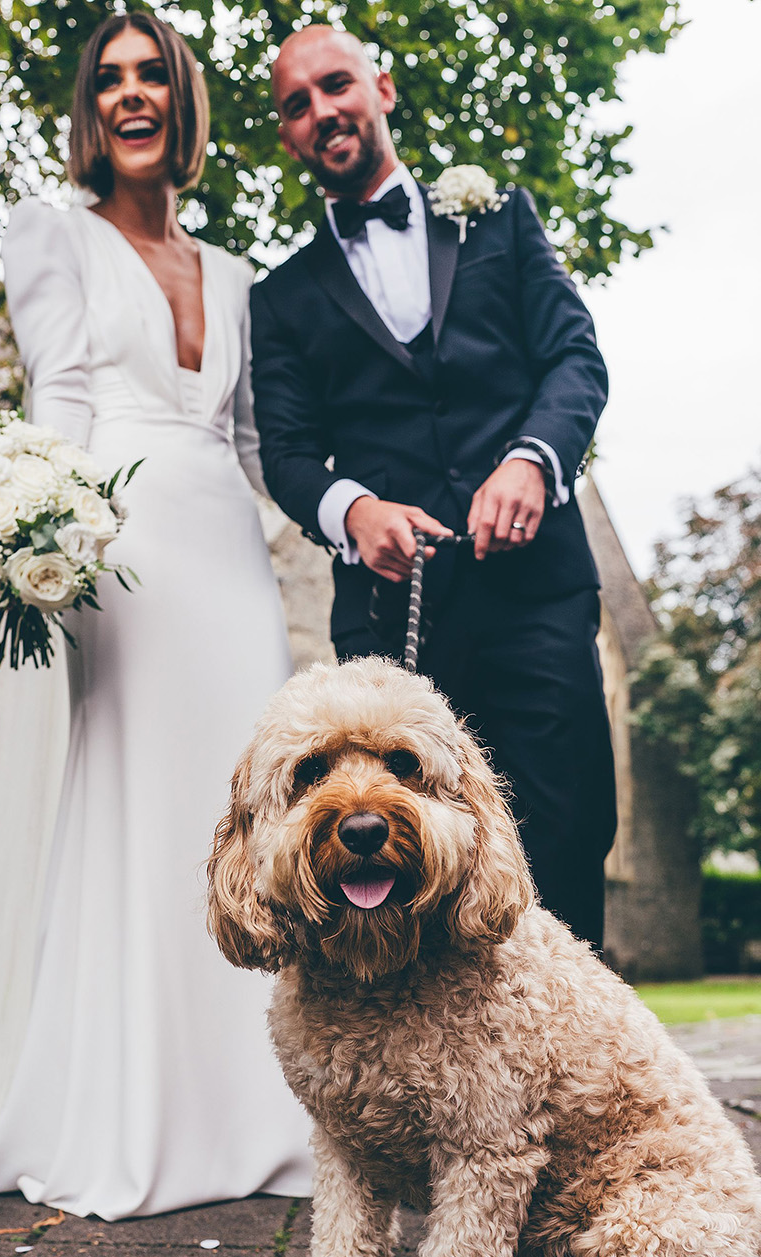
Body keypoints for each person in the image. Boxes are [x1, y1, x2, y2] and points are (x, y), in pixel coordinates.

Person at [0, 11, 312, 1218]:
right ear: (90, 110)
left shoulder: (241, 275)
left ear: (183, 103)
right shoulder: (52, 234)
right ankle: (133, 1114)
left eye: (153, 75)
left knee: (240, 811)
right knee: (143, 815)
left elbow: (258, 447)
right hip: (124, 556)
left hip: (233, 565)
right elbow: (63, 396)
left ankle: (260, 1111)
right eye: (110, 79)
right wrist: (45, 531)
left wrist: (355, 515)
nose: (133, 94)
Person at [250, 27, 617, 949]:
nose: (323, 111)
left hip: (537, 594)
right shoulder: (280, 297)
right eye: (297, 103)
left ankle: (575, 1073)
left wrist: (533, 458)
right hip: (390, 620)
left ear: (380, 86)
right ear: (289, 134)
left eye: (335, 85)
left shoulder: (500, 221)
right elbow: (287, 450)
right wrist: (354, 510)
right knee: (397, 857)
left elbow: (576, 359)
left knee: (565, 831)